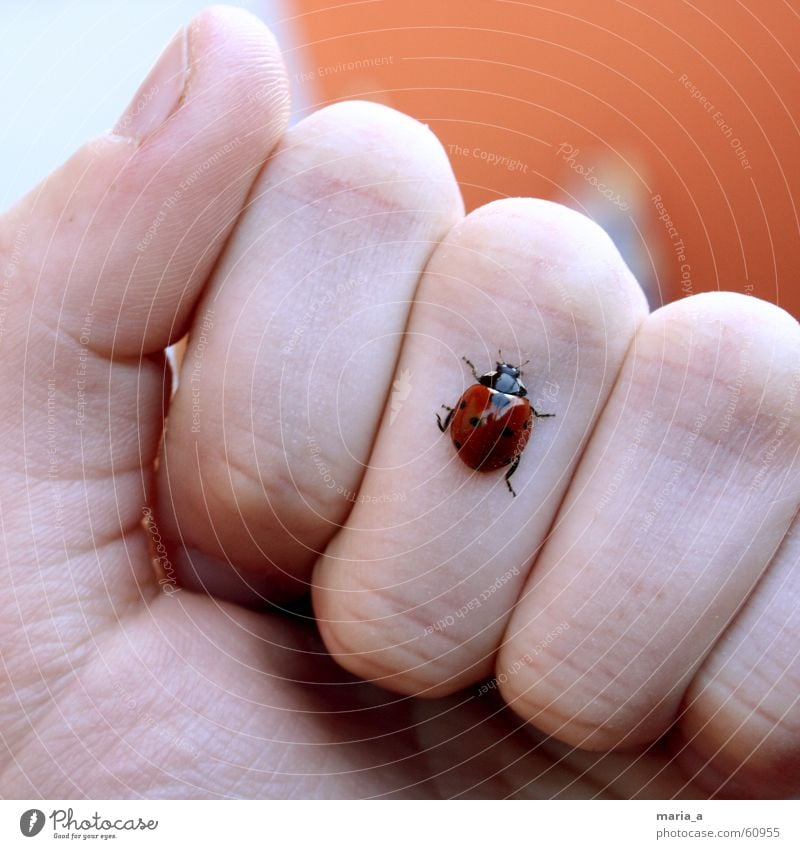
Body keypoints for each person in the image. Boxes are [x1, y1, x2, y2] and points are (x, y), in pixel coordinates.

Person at [1, 6, 797, 799]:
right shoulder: (504, 405)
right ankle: (603, 288)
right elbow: (497, 425)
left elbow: (474, 418)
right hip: (457, 649)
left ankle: (562, 299)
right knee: (538, 284)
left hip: (454, 623)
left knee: (493, 270)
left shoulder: (485, 399)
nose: (505, 393)